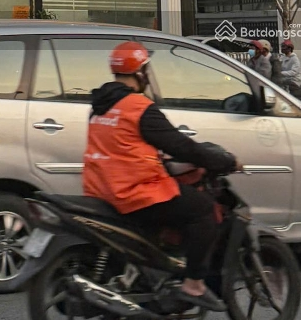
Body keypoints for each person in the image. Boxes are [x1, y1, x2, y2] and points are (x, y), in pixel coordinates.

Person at [83, 41, 239, 311]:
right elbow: (183, 147)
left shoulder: (99, 106)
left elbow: (123, 147)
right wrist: (225, 161)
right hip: (134, 193)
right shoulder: (139, 107)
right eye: (146, 69)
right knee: (203, 209)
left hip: (100, 190)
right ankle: (194, 284)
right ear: (139, 73)